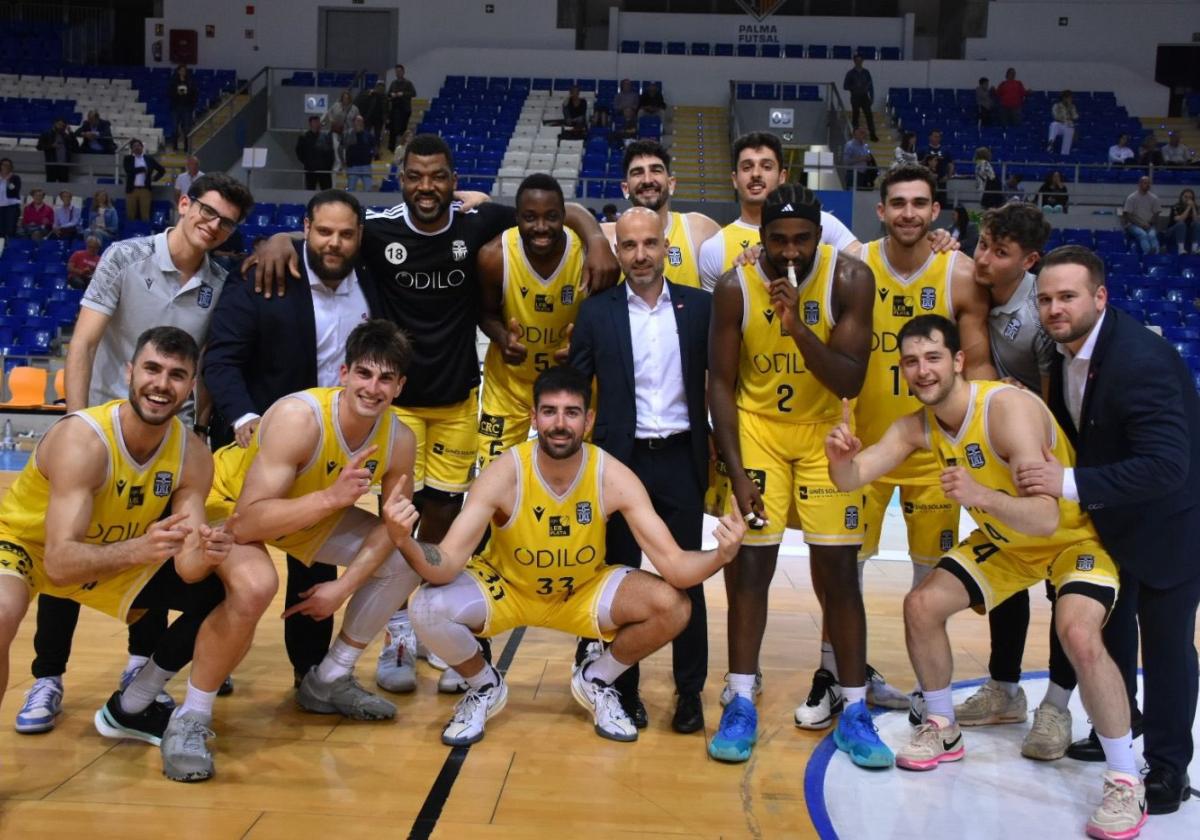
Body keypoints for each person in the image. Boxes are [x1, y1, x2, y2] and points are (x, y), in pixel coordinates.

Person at [827, 314, 1141, 840]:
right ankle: (943, 727)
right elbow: (854, 476)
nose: (922, 370)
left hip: (1073, 539)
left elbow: (1045, 516)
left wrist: (978, 496)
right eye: (910, 362)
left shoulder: (1006, 410)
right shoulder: (917, 425)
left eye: (932, 358)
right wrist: (841, 460)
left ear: (957, 361)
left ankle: (1126, 778)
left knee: (1079, 634)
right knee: (922, 606)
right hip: (1008, 543)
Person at [382, 364, 746, 746]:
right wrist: (404, 540)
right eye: (550, 411)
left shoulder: (612, 474)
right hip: (508, 589)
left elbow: (674, 566)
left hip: (581, 591)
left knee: (674, 606)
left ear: (588, 420)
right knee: (425, 605)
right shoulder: (504, 472)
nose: (560, 423)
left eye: (571, 412)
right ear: (533, 416)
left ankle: (596, 679)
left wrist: (721, 555)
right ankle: (484, 685)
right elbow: (446, 564)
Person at [13, 174, 255, 736]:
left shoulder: (219, 283)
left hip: (170, 435)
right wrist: (76, 421)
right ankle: (48, 677)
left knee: (157, 550)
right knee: (74, 549)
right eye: (207, 211)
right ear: (185, 203)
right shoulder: (125, 256)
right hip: (101, 427)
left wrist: (197, 430)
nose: (212, 225)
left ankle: (138, 669)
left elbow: (210, 363)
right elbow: (85, 341)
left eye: (226, 222)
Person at [0, 327, 274, 783]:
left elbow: (186, 569)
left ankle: (136, 701)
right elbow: (61, 565)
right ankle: (49, 681)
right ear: (129, 372)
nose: (161, 384)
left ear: (191, 387)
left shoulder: (192, 454)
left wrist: (207, 551)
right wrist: (141, 549)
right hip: (29, 545)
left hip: (116, 550)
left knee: (224, 592)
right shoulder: (84, 440)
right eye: (152, 369)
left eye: (176, 375)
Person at [706, 184, 886, 767]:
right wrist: (735, 472)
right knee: (751, 566)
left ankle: (854, 707)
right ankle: (739, 698)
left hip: (823, 433)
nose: (790, 251)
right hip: (758, 429)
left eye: (802, 239)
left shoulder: (851, 280)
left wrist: (796, 324)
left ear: (819, 235)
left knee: (838, 573)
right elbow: (720, 384)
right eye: (778, 240)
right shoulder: (736, 287)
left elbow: (849, 380)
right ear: (761, 239)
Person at [1020, 246, 1200, 818]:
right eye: (1045, 298)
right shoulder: (1065, 348)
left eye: (1067, 296)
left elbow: (1169, 464)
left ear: (1100, 297)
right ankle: (1117, 728)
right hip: (1112, 521)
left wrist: (1071, 482)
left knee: (1167, 648)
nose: (1054, 308)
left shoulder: (1139, 361)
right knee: (1112, 638)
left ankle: (1169, 768)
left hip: (1171, 523)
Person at [203, 189, 384, 688]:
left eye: (346, 234)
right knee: (235, 570)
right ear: (305, 227)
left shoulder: (372, 278)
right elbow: (222, 359)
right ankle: (208, 668)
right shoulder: (265, 275)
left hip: (329, 453)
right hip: (255, 448)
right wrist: (244, 419)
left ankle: (310, 674)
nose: (334, 242)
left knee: (315, 569)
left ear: (360, 238)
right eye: (323, 231)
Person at [209, 319, 423, 726]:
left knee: (405, 560)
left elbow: (393, 531)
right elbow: (245, 524)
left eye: (386, 378)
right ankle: (175, 692)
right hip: (228, 505)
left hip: (307, 515)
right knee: (256, 585)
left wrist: (342, 587)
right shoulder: (299, 416)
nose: (372, 388)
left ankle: (329, 677)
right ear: (344, 374)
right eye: (363, 373)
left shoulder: (401, 440)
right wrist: (331, 498)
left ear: (400, 388)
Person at [852, 165, 994, 726]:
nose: (908, 212)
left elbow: (977, 365)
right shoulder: (854, 265)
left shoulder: (958, 273)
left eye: (919, 203)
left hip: (932, 454)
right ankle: (845, 678)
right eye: (897, 203)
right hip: (868, 446)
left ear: (936, 212)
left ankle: (925, 694)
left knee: (928, 580)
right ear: (881, 210)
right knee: (846, 570)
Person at [568, 207, 712, 735]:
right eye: (628, 246)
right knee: (620, 580)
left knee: (686, 577)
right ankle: (620, 688)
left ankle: (690, 690)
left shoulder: (699, 307)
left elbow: (718, 381)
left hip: (680, 457)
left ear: (665, 243)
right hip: (618, 463)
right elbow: (576, 386)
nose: (640, 255)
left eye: (649, 243)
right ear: (618, 249)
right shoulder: (596, 312)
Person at [955, 203, 1084, 760]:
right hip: (996, 461)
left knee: (1064, 589)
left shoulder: (1040, 312)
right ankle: (1004, 687)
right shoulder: (978, 280)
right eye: (981, 244)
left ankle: (1056, 705)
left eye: (998, 252)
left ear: (1028, 260)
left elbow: (1058, 411)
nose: (983, 258)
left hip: (1048, 462)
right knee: (1004, 578)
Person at [476, 174, 583, 471]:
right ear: (516, 218)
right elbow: (484, 312)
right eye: (530, 217)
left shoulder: (586, 255)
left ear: (565, 216)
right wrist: (501, 336)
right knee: (492, 476)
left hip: (567, 386)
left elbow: (602, 317)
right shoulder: (493, 256)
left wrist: (581, 344)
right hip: (508, 384)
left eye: (551, 217)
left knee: (571, 475)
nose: (541, 227)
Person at [603, 139, 719, 288]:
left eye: (656, 170)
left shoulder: (700, 229)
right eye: (637, 173)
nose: (647, 180)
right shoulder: (604, 237)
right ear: (625, 188)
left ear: (671, 184)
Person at [123, 139, 166, 223]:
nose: (137, 148)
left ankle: (145, 233)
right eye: (134, 146)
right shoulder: (128, 159)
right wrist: (142, 169)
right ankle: (130, 232)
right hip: (132, 190)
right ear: (131, 149)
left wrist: (154, 178)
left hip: (145, 190)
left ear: (142, 147)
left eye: (138, 146)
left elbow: (162, 170)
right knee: (131, 214)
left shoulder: (149, 159)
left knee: (145, 214)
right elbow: (129, 170)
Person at [1121, 176, 1161, 255]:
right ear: (1139, 184)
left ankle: (1156, 254)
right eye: (1145, 183)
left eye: (1149, 183)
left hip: (1149, 224)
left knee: (1152, 235)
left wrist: (1149, 224)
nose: (1147, 185)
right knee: (1142, 234)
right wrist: (1141, 224)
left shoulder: (1154, 198)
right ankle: (1147, 253)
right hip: (1133, 225)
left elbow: (1156, 214)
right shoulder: (1131, 198)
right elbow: (1128, 215)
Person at [843, 53, 878, 142]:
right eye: (857, 60)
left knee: (869, 115)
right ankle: (855, 134)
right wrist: (854, 87)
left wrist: (872, 96)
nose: (859, 62)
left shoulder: (866, 72)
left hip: (865, 96)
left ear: (862, 61)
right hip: (855, 96)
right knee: (856, 115)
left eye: (860, 60)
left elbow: (871, 85)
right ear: (854, 61)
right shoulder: (850, 73)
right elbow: (845, 86)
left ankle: (872, 134)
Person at [324, 91, 360, 172]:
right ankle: (338, 164)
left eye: (347, 98)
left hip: (348, 131)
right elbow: (329, 113)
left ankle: (345, 165)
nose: (345, 100)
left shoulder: (354, 108)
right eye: (344, 98)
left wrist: (355, 129)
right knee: (336, 147)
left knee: (344, 149)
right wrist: (331, 120)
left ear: (350, 99)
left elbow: (357, 119)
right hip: (336, 129)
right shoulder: (336, 105)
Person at [296, 116, 335, 191]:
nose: (317, 124)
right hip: (311, 170)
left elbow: (330, 153)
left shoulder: (325, 137)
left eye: (318, 122)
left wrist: (328, 166)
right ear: (310, 124)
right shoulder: (304, 137)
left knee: (326, 192)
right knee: (310, 191)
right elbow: (299, 152)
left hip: (324, 171)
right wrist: (307, 163)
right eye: (315, 122)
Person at [37, 118, 78, 182]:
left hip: (64, 166)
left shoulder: (66, 136)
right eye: (59, 124)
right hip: (52, 166)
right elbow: (39, 147)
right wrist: (51, 146)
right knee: (50, 187)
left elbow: (76, 146)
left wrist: (71, 133)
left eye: (63, 125)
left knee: (64, 188)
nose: (61, 127)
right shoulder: (46, 134)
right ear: (55, 124)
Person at [169, 65, 198, 153]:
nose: (182, 72)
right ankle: (175, 147)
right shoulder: (173, 82)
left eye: (184, 70)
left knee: (186, 128)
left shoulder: (190, 82)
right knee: (174, 128)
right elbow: (169, 93)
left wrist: (191, 104)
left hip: (187, 107)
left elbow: (194, 94)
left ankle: (186, 147)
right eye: (181, 70)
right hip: (176, 107)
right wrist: (177, 93)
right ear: (178, 71)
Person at [386, 65, 416, 151]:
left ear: (403, 72)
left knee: (403, 129)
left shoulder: (408, 83)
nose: (398, 73)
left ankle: (402, 147)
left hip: (404, 109)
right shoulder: (393, 83)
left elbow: (413, 93)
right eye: (396, 71)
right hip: (394, 109)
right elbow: (388, 94)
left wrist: (402, 94)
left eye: (399, 71)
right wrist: (391, 95)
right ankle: (391, 148)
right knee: (392, 129)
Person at [343, 115, 375, 192]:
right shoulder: (348, 134)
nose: (360, 123)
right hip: (353, 166)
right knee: (351, 189)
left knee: (368, 188)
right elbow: (341, 148)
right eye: (358, 121)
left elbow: (373, 147)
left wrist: (371, 154)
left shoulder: (368, 135)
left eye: (361, 121)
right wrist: (343, 161)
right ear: (353, 123)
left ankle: (367, 204)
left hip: (366, 166)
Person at [842, 126, 876, 190]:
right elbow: (846, 161)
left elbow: (867, 157)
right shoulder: (849, 145)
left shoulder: (864, 146)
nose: (863, 135)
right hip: (853, 174)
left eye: (864, 133)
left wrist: (868, 159)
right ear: (855, 134)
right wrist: (861, 159)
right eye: (861, 133)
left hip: (864, 174)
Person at [1047, 91, 1078, 155]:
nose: (1070, 99)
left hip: (1069, 126)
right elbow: (1055, 116)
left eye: (1070, 98)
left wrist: (1069, 108)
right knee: (1054, 124)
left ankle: (1064, 155)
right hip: (1060, 124)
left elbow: (1075, 117)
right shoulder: (1057, 105)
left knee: (1070, 130)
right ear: (1064, 98)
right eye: (1069, 98)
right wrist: (1065, 119)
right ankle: (1050, 143)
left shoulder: (1072, 106)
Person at [1169, 188, 1197, 254]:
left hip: (1187, 233)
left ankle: (1194, 249)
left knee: (1197, 225)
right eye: (1185, 197)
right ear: (1181, 197)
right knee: (1181, 224)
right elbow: (1180, 220)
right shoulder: (1175, 206)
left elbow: (1196, 221)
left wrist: (1193, 208)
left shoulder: (1195, 207)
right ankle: (1181, 249)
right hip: (1173, 232)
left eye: (1190, 197)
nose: (1188, 199)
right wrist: (1189, 207)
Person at [0, 157, 20, 238]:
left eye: (8, 165)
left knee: (10, 228)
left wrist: (8, 181)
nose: (6, 167)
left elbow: (15, 190)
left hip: (11, 206)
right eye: (4, 165)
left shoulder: (15, 178)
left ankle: (10, 246)